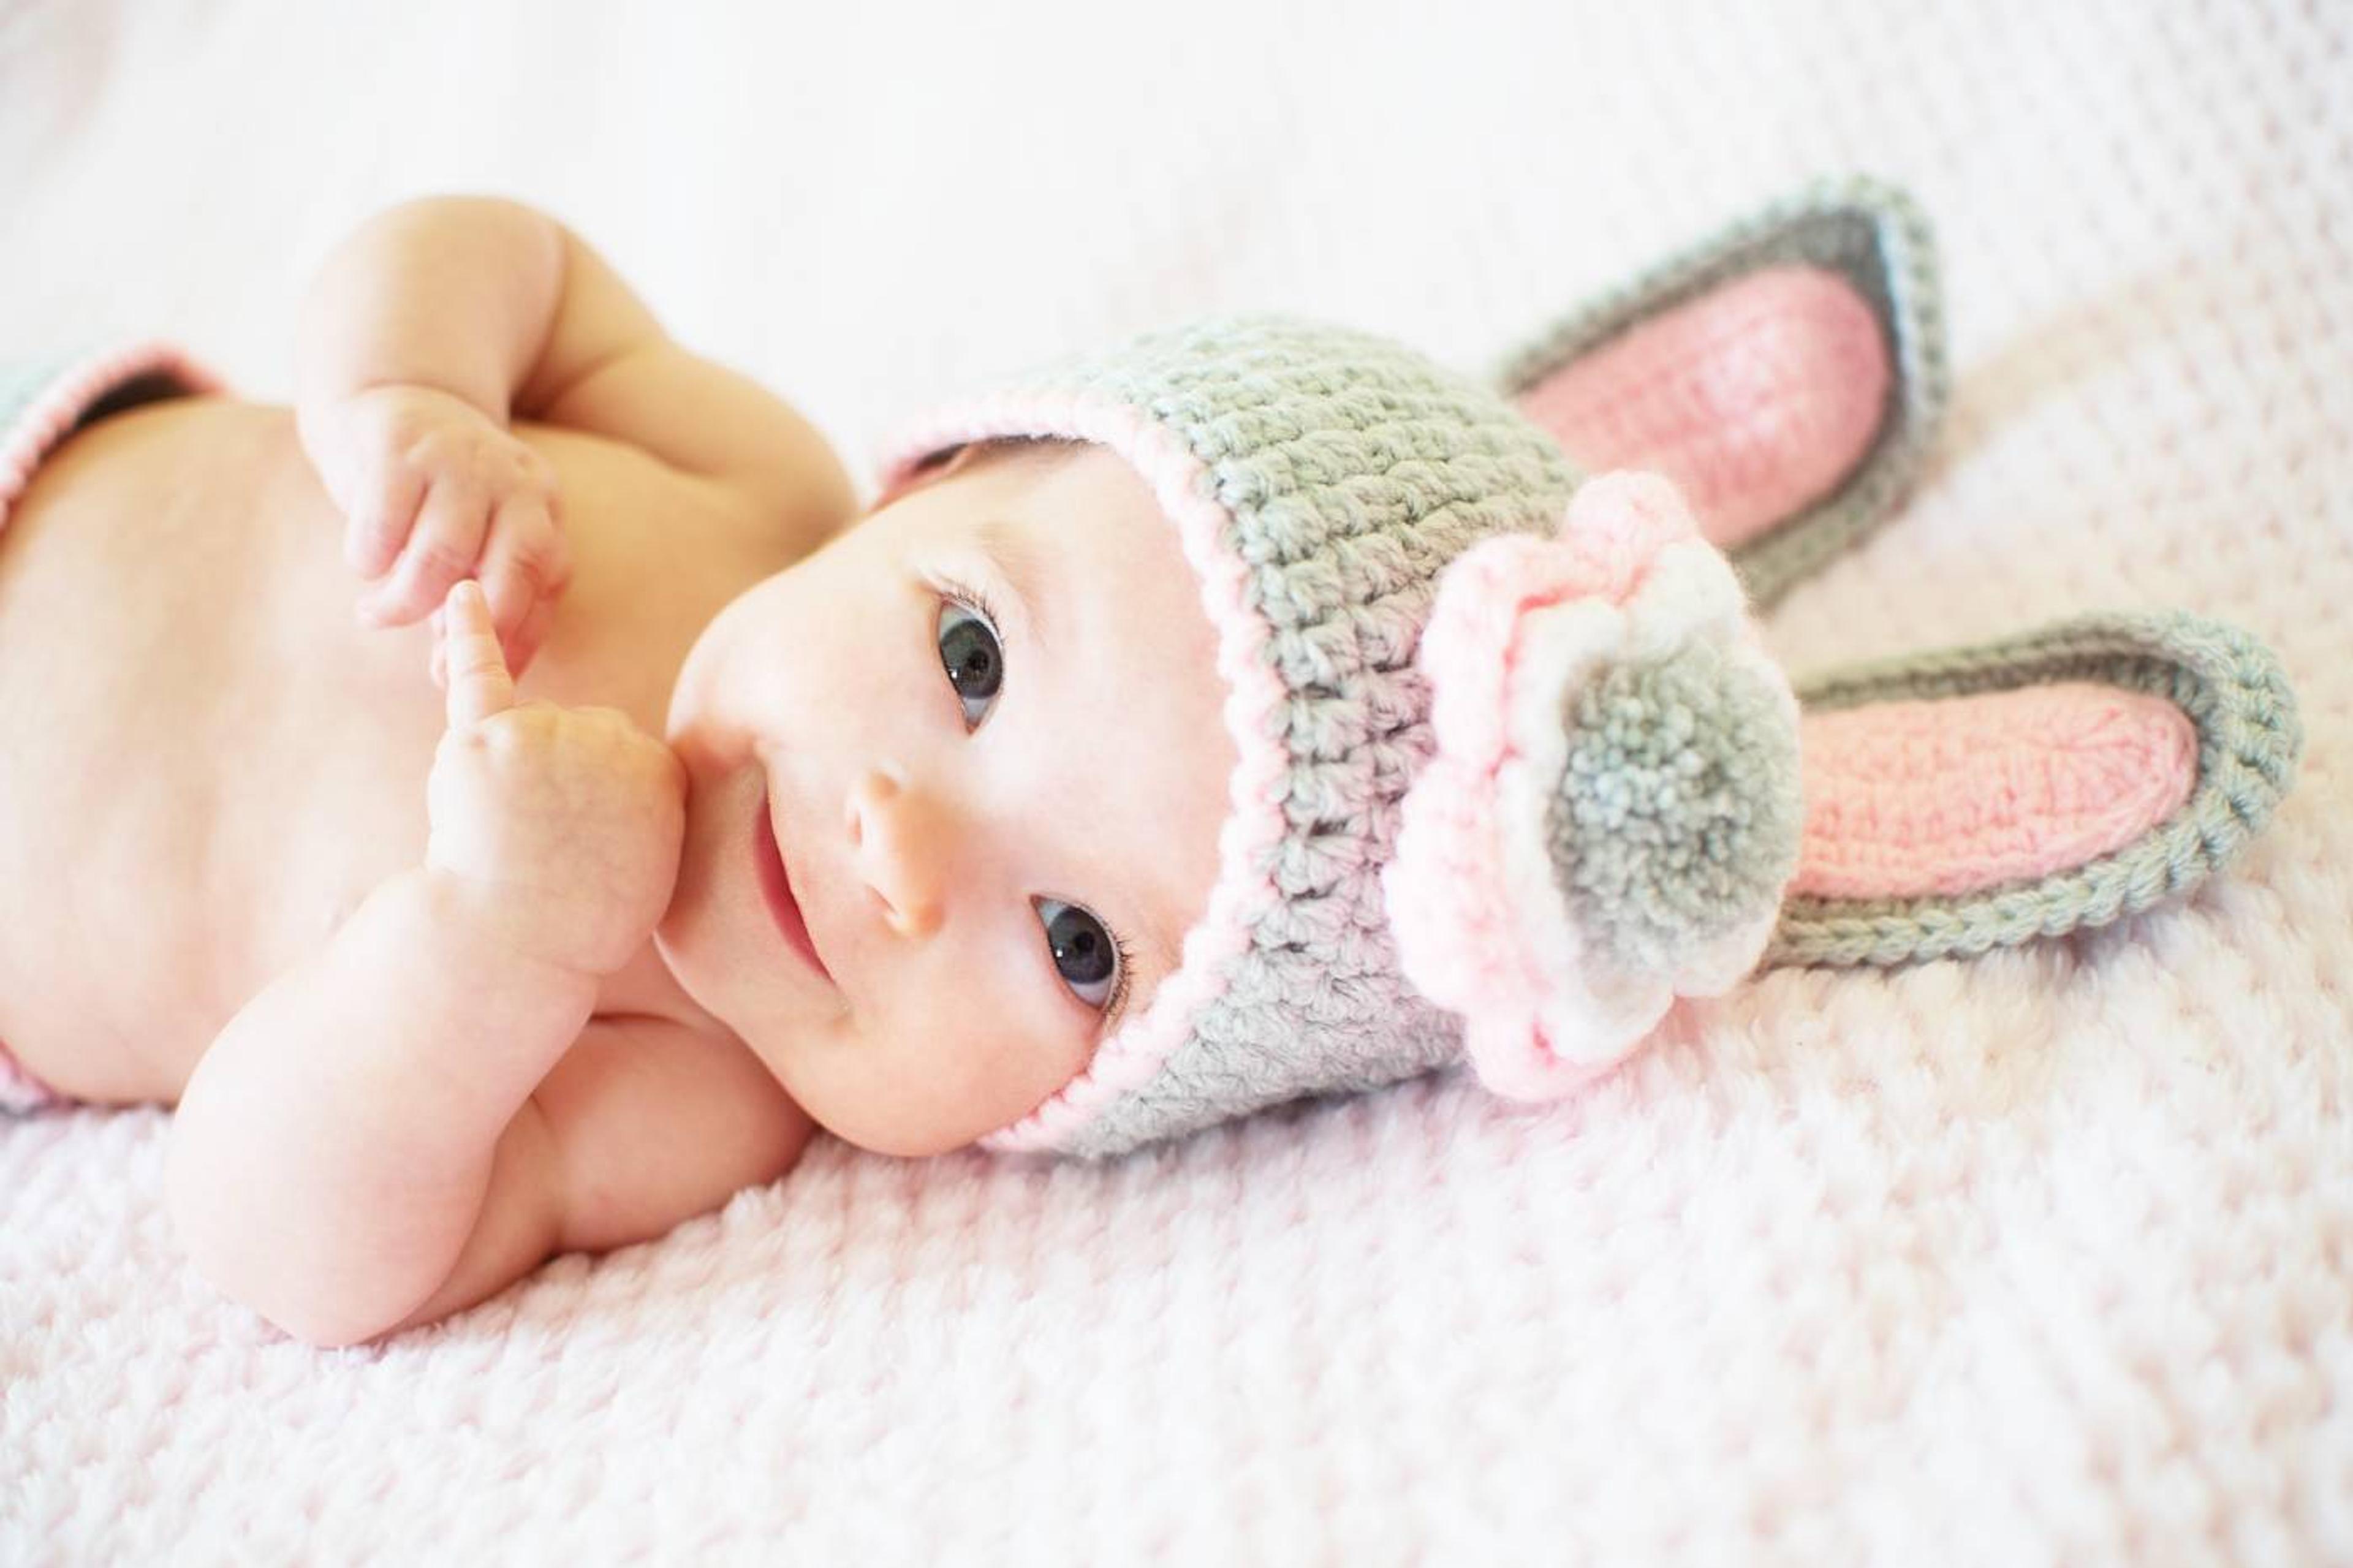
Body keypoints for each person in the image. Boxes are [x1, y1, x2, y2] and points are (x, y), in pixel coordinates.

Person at [1, 184, 2294, 1347]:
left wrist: (473, 954)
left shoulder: (683, 1075)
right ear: (934, 481)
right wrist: (406, 401)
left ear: (1078, 1109)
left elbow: (286, 1239)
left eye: (1076, 944)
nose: (902, 849)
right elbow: (494, 253)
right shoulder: (741, 471)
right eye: (973, 651)